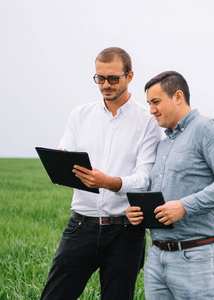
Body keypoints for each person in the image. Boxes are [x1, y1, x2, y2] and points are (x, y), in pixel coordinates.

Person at [40, 47, 162, 299]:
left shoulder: (147, 120)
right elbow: (66, 154)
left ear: (129, 77)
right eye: (100, 78)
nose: (105, 84)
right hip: (80, 225)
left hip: (125, 232)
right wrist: (61, 161)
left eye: (113, 78)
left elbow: (144, 178)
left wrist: (109, 182)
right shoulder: (80, 114)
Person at [126, 71, 214, 299]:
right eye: (149, 103)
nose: (151, 110)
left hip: (196, 258)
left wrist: (184, 206)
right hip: (156, 256)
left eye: (156, 102)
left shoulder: (207, 129)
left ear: (178, 96)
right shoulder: (163, 144)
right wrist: (139, 213)